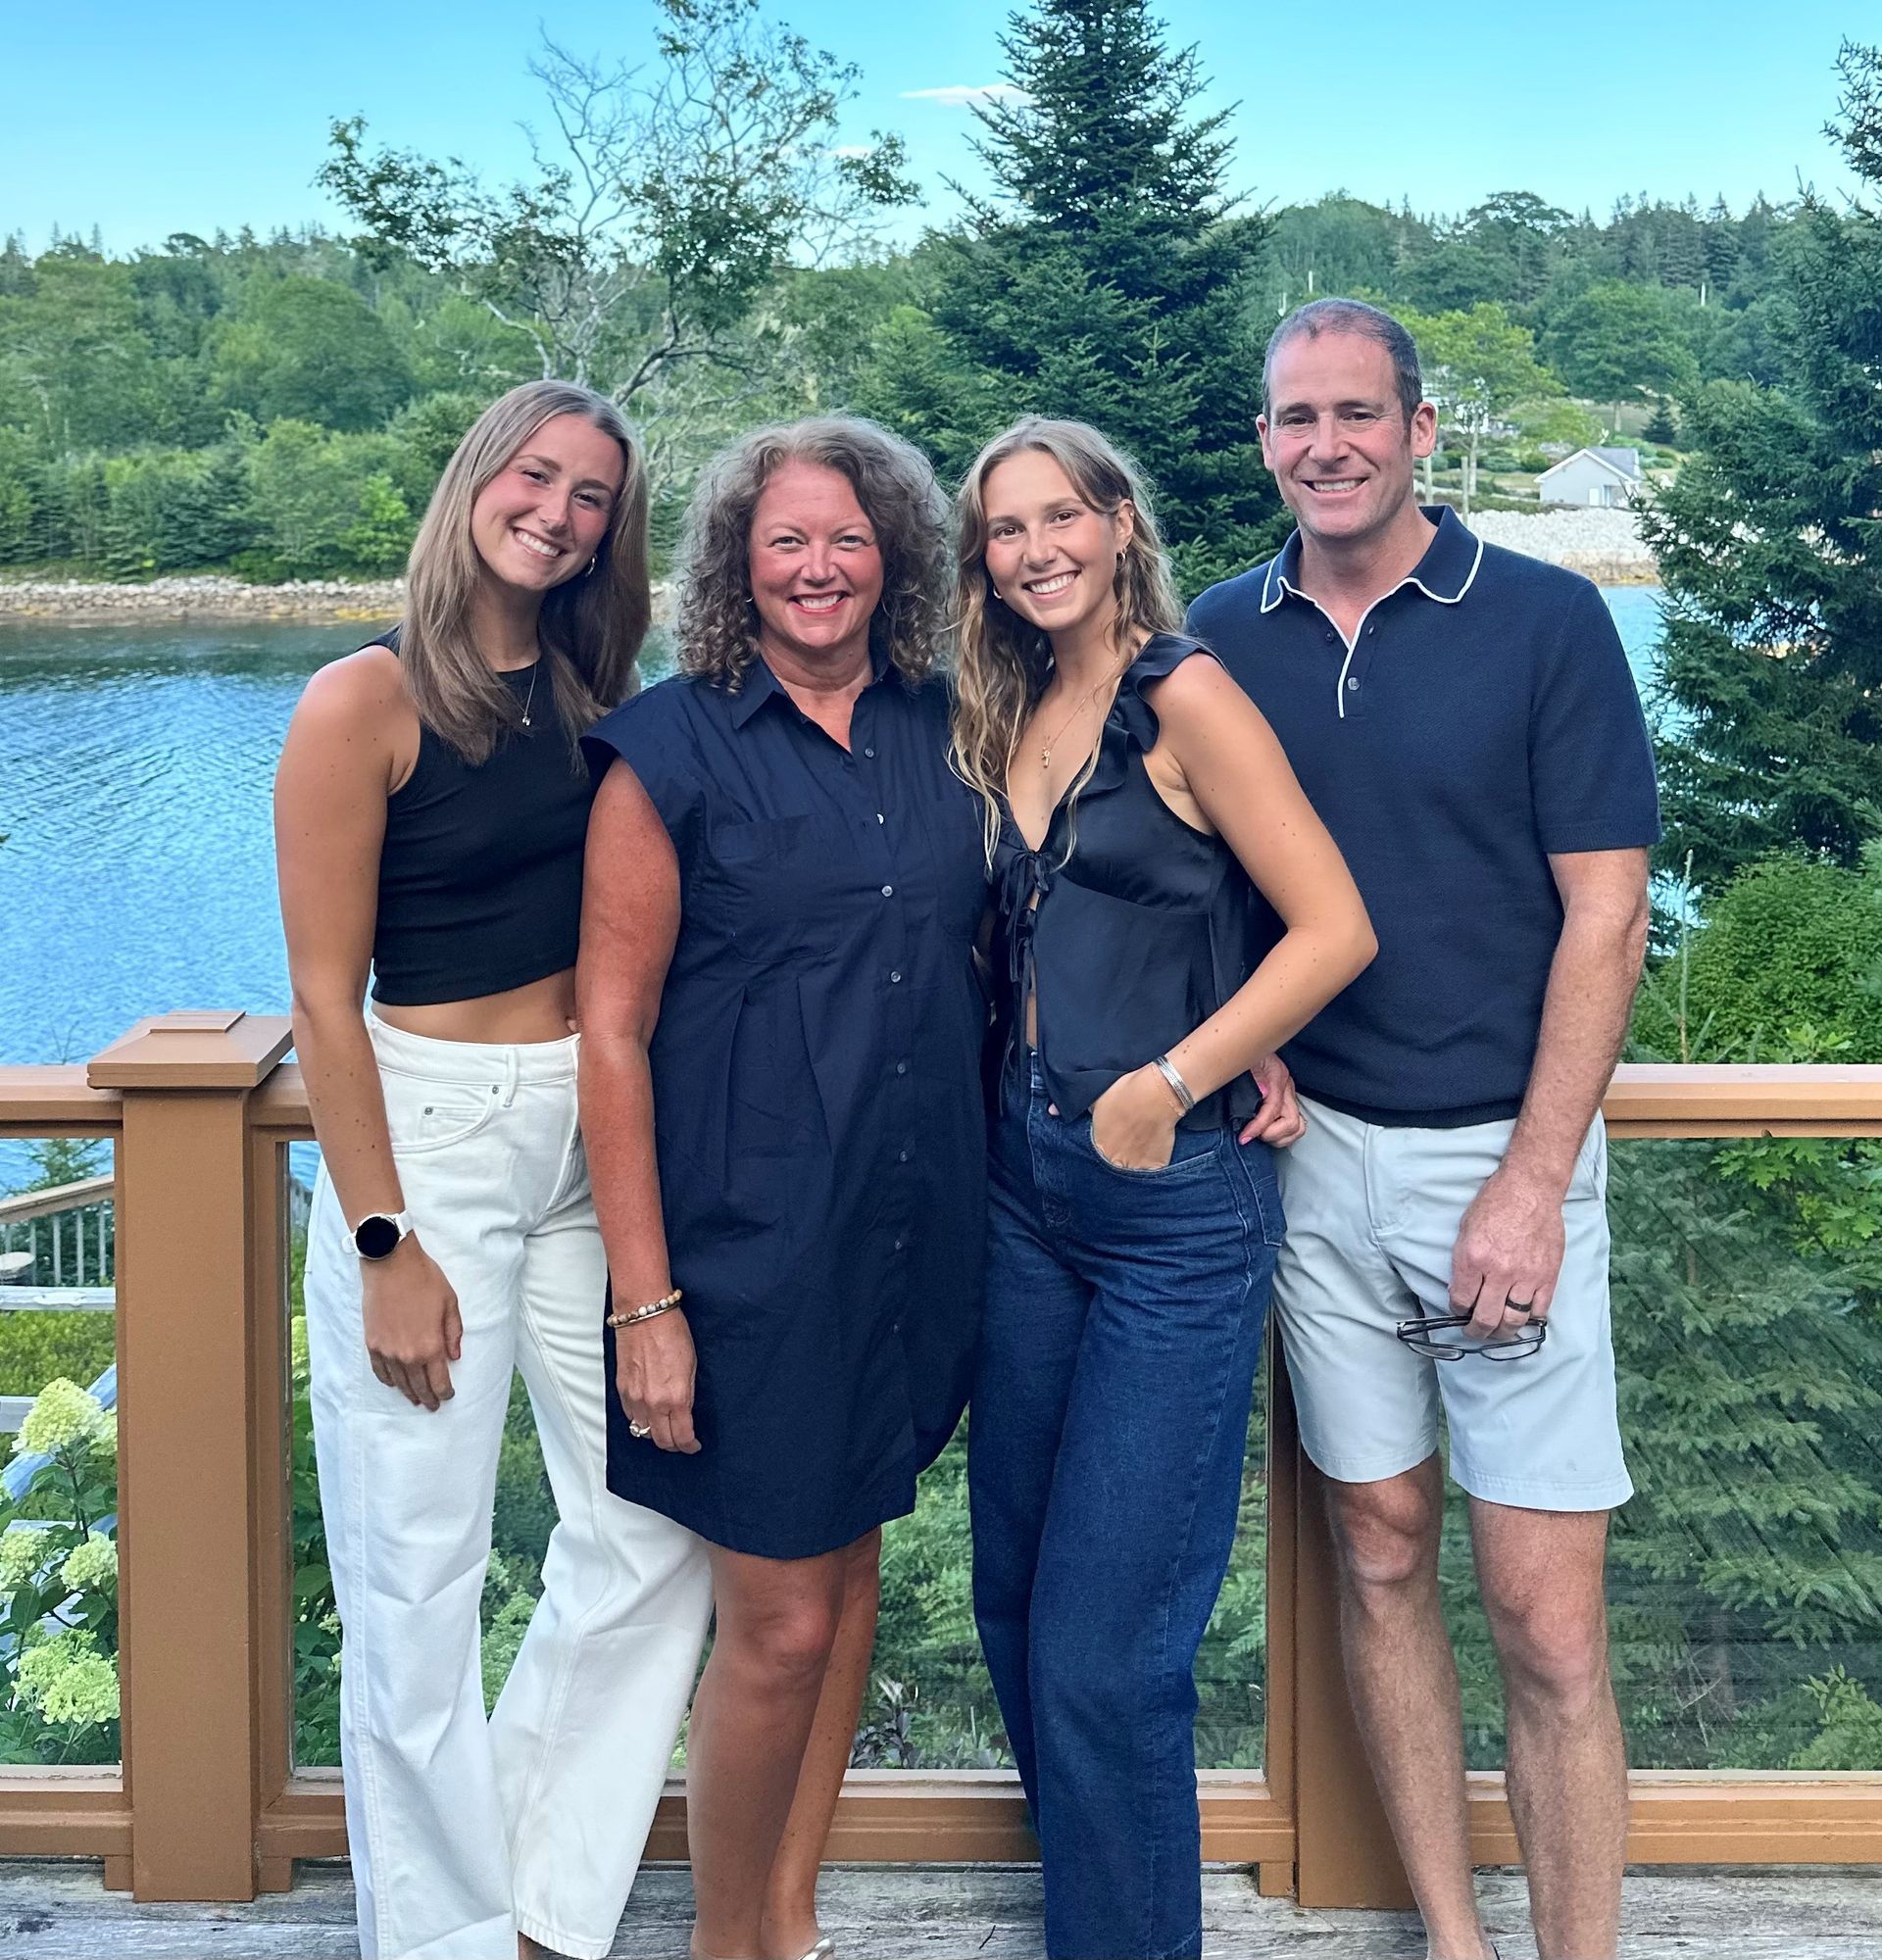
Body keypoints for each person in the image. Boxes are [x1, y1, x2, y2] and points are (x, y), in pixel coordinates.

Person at [1188, 299, 1658, 1960]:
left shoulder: (1543, 622)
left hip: (1503, 1161)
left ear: (1420, 429)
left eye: (1357, 414)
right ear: (1264, 443)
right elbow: (1189, 882)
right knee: (1378, 1552)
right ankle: (1457, 1942)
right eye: (1295, 418)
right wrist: (1232, 1040)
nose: (1325, 444)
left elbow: (1606, 920)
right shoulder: (1218, 636)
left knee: (1544, 1617)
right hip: (1310, 1162)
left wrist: (1533, 1185)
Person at [276, 380, 713, 1960]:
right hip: (434, 1140)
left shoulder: (604, 691)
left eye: (594, 496)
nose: (560, 511)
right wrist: (384, 1237)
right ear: (477, 482)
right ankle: (442, 1939)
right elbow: (324, 998)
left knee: (657, 1527)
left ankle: (534, 1892)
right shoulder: (363, 702)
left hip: (594, 1131)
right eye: (537, 476)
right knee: (415, 1575)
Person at [952, 417, 1376, 1960]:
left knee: (1105, 1647)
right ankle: (1106, 1916)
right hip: (1022, 1184)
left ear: (1120, 524)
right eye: (1005, 529)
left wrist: (1180, 1079)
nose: (1037, 547)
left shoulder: (1185, 692)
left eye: (1062, 515)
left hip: (1168, 1211)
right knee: (1011, 1599)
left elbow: (1332, 928)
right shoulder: (1009, 701)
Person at [576, 416, 986, 1960]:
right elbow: (609, 1036)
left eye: (849, 539)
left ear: (896, 559)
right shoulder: (669, 749)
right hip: (744, 1251)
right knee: (781, 1625)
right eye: (787, 542)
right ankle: (724, 1940)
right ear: (738, 568)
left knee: (856, 1574)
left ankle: (790, 1917)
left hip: (913, 1226)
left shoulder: (948, 726)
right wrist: (648, 1303)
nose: (820, 569)